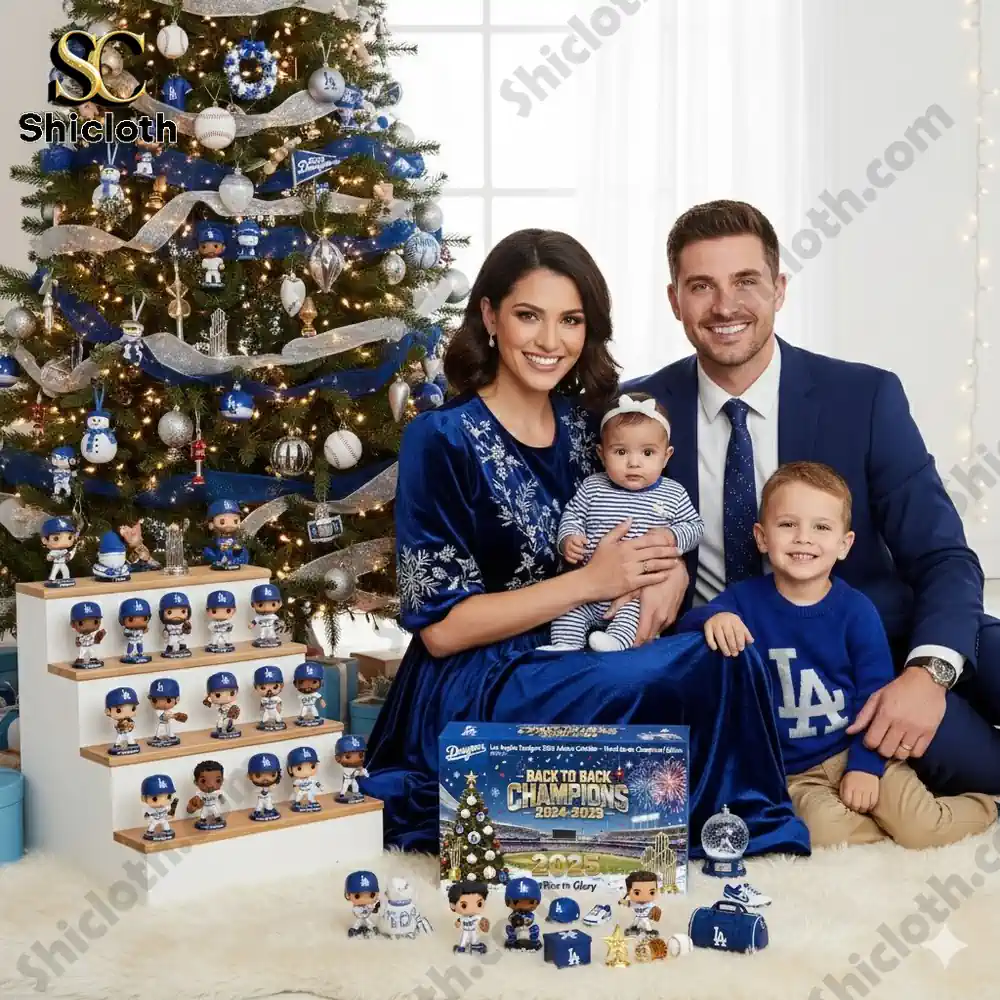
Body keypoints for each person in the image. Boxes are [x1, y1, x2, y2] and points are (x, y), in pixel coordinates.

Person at [360, 228, 810, 857]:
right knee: (659, 675)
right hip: (486, 675)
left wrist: (672, 573)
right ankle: (656, 824)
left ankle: (729, 827)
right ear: (489, 316)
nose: (550, 342)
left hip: (596, 642)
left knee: (725, 652)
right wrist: (591, 583)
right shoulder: (441, 438)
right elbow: (442, 631)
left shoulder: (590, 427)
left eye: (570, 320)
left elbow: (652, 522)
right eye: (528, 316)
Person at [626, 199, 1000, 796]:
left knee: (989, 647)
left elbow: (943, 558)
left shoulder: (864, 396)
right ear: (675, 300)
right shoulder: (637, 413)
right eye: (702, 286)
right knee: (985, 766)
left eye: (745, 282)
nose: (725, 306)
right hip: (764, 672)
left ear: (779, 288)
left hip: (877, 640)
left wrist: (928, 674)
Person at [677, 461, 996, 847]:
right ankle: (884, 829)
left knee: (922, 829)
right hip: (797, 770)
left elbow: (873, 696)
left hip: (859, 749)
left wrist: (865, 767)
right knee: (823, 834)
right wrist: (715, 616)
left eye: (821, 527)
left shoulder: (856, 611)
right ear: (762, 537)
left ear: (844, 544)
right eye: (787, 525)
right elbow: (688, 624)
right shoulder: (743, 602)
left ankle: (989, 806)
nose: (803, 539)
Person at [546, 390, 703, 652]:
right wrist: (569, 539)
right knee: (567, 612)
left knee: (636, 612)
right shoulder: (593, 487)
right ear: (601, 453)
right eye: (620, 451)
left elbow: (695, 527)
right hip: (587, 585)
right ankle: (565, 647)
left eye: (648, 453)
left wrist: (672, 537)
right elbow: (573, 514)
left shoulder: (673, 493)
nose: (633, 463)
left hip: (636, 589)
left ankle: (616, 642)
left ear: (666, 456)